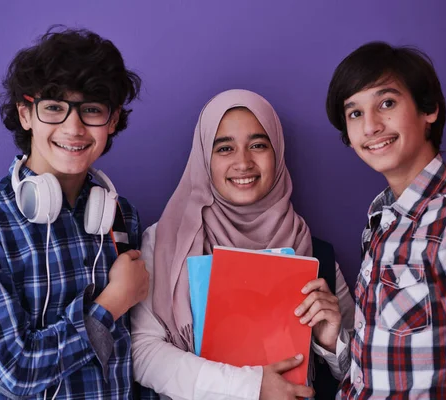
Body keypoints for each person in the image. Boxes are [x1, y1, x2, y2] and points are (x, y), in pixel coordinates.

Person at [0, 26, 149, 399]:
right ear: (26, 114)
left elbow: (137, 360)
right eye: (54, 107)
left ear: (113, 120)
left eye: (91, 110)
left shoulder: (123, 219)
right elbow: (13, 371)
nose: (73, 128)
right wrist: (111, 304)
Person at [131, 89, 355, 399]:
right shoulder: (166, 241)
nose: (243, 162)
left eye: (258, 145)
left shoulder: (315, 253)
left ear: (277, 152)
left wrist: (332, 342)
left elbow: (364, 374)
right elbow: (143, 354)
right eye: (224, 148)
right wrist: (250, 387)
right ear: (203, 159)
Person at [325, 41, 446, 399]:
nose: (370, 126)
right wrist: (334, 338)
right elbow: (378, 373)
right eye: (354, 113)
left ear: (428, 109)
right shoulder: (382, 220)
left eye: (386, 103)